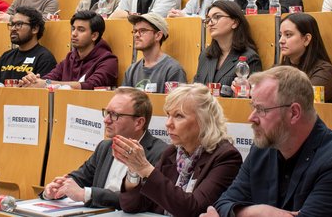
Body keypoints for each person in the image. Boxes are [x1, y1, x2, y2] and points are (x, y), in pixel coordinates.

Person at [206, 66, 332, 217]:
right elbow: (222, 205)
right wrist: (257, 212)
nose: (251, 118)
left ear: (294, 113)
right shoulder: (262, 149)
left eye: (261, 109)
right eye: (252, 107)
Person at [116, 83, 241, 215]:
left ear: (204, 121)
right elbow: (131, 205)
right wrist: (134, 170)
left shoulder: (226, 157)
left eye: (178, 116)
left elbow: (194, 209)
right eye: (168, 115)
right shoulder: (172, 152)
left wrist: (145, 168)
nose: (168, 123)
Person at [41, 88, 166, 207]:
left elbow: (141, 201)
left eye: (115, 114)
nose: (106, 120)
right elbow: (80, 177)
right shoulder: (104, 147)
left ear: (138, 123)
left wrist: (86, 194)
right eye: (106, 113)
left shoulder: (160, 153)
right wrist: (55, 189)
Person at [19, 10, 119, 89]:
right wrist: (32, 81)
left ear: (94, 36)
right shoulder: (70, 58)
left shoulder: (108, 61)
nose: (74, 33)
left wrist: (45, 83)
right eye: (73, 29)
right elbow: (49, 78)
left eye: (81, 30)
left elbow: (90, 86)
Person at [193, 0, 262, 95]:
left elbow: (253, 98)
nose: (210, 23)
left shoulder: (250, 58)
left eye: (217, 17)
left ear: (235, 22)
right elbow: (196, 89)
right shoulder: (205, 55)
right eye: (208, 19)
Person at [279, 13, 332, 103]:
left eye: (288, 35)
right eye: (280, 35)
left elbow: (298, 103)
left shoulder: (325, 72)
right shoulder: (279, 68)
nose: (281, 41)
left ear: (306, 39)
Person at [0, 6, 58, 83]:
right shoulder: (6, 56)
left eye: (19, 24)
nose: (13, 28)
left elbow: (43, 90)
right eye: (12, 24)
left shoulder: (45, 58)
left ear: (35, 29)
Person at [122, 13, 187, 92]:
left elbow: (176, 103)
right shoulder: (131, 70)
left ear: (158, 35)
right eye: (135, 31)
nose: (136, 35)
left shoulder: (173, 70)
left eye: (142, 31)